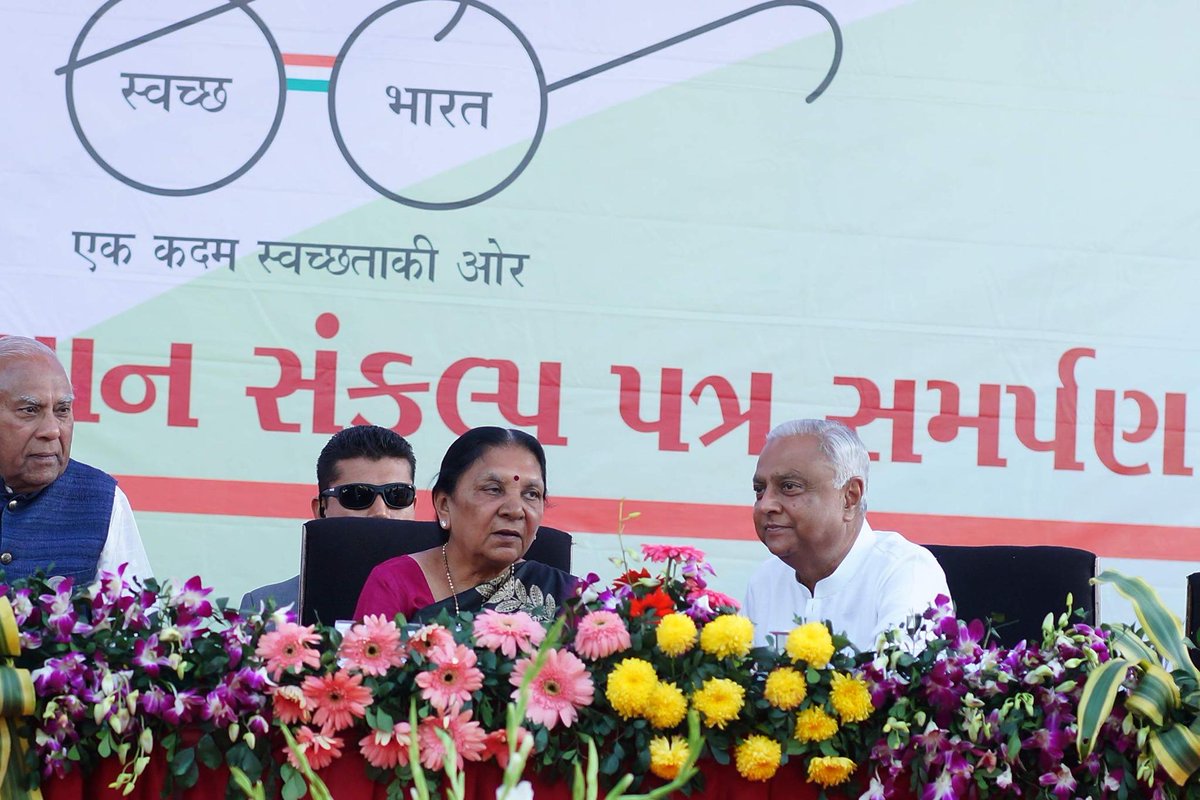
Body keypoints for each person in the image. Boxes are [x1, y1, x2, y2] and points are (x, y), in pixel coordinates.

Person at [744, 418, 949, 651]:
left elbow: (894, 673)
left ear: (850, 497)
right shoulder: (766, 580)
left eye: (789, 487)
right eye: (759, 490)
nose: (765, 505)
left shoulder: (906, 572)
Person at [354, 426, 575, 624]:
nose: (515, 510)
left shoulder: (568, 596)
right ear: (444, 505)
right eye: (493, 489)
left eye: (531, 494)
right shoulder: (395, 584)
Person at [0, 336, 152, 584]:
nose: (52, 430)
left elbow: (134, 606)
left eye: (62, 410)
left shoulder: (101, 498)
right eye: (30, 410)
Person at [240, 425, 417, 611]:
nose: (380, 512)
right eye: (357, 495)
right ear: (321, 510)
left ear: (414, 505)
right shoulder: (263, 608)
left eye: (398, 495)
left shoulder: (439, 605)